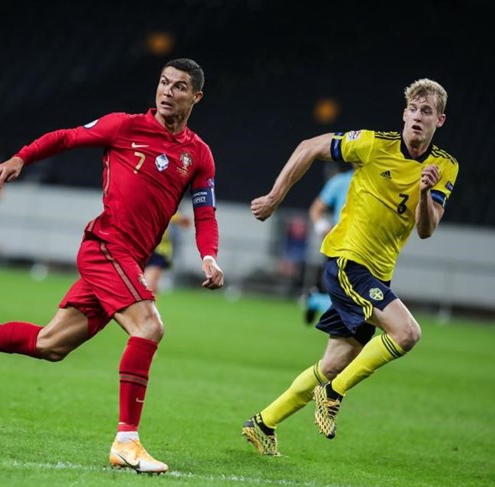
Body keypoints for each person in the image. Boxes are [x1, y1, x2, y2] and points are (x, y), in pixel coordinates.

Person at [0, 58, 224, 473]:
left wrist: (209, 255)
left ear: (196, 97)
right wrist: (22, 157)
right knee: (149, 326)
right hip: (106, 247)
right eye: (163, 83)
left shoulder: (198, 155)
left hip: (127, 259)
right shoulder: (125, 126)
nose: (167, 92)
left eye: (179, 87)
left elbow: (205, 213)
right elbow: (66, 137)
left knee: (50, 344)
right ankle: (127, 441)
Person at [242, 78, 458, 456]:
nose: (418, 117)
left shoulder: (444, 166)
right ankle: (333, 394)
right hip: (347, 261)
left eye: (428, 111)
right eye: (414, 109)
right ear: (404, 113)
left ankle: (263, 423)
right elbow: (309, 146)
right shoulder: (374, 144)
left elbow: (426, 230)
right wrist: (275, 197)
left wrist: (424, 193)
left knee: (333, 363)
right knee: (407, 333)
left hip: (378, 272)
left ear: (439, 120)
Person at [304, 164, 354, 324]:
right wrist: (323, 229)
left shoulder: (380, 180)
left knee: (352, 299)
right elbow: (316, 209)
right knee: (349, 300)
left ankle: (316, 300)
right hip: (341, 244)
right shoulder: (341, 181)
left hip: (367, 246)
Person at [144, 212, 192, 294]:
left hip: (158, 249)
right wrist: (179, 219)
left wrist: (178, 218)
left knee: (151, 287)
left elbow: (165, 210)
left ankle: (147, 304)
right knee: (148, 287)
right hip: (146, 247)